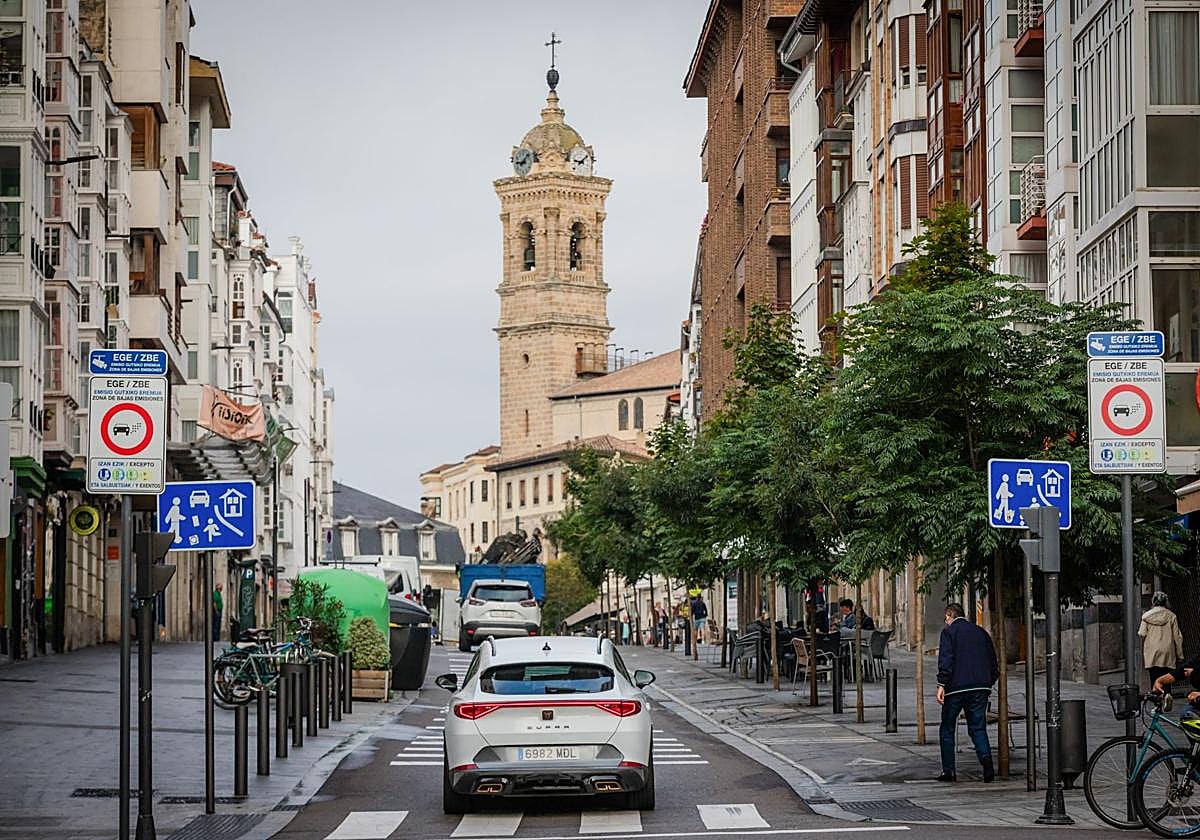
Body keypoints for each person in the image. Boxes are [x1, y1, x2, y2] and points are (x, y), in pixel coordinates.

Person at [935, 602, 1000, 783]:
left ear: (950, 616)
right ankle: (987, 762)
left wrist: (941, 684)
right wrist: (988, 682)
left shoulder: (948, 632)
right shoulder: (981, 633)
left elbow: (946, 660)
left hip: (955, 688)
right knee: (978, 727)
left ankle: (949, 770)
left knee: (947, 727)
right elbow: (994, 663)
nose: (945, 621)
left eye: (946, 618)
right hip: (980, 688)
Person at [1140, 592, 1184, 686]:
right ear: (1165, 602)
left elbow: (1142, 633)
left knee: (1154, 677)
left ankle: (1156, 697)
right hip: (1168, 651)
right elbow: (1177, 637)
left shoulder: (1146, 616)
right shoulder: (1172, 616)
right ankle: (1167, 696)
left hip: (1152, 651)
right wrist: (1180, 655)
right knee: (1167, 678)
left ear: (1153, 601)